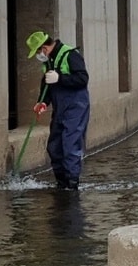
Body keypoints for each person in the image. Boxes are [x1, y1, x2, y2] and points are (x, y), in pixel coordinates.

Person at [25, 31, 91, 190]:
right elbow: (47, 84)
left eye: (38, 52)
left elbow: (83, 79)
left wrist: (60, 78)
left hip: (76, 107)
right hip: (60, 108)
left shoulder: (70, 55)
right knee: (54, 146)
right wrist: (42, 102)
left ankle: (72, 185)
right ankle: (62, 184)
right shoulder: (49, 61)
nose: (39, 56)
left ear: (44, 48)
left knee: (70, 145)